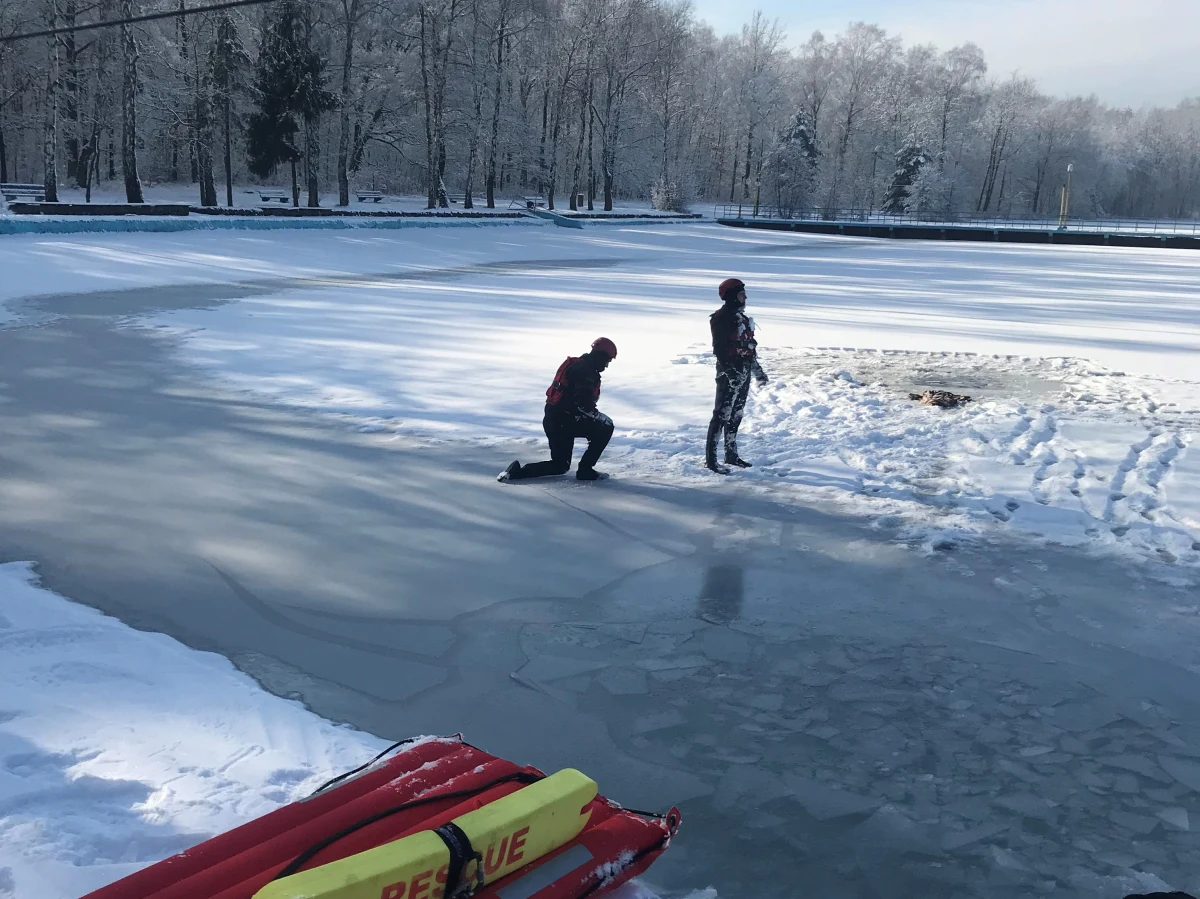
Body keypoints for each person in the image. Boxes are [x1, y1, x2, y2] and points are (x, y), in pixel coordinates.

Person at [498, 338, 618, 482]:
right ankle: (585, 470)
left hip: (554, 419)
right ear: (601, 356)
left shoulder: (578, 364)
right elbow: (583, 405)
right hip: (564, 422)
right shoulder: (586, 372)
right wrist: (600, 418)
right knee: (606, 427)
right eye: (607, 361)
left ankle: (515, 473)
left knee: (560, 465)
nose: (606, 366)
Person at [706, 278, 768, 474]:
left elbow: (749, 349)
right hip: (729, 374)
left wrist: (758, 372)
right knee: (721, 415)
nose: (745, 297)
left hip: (743, 372)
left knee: (736, 414)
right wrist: (731, 374)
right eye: (742, 294)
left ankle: (731, 454)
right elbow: (719, 349)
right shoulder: (721, 318)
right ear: (733, 296)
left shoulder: (743, 319)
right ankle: (711, 460)